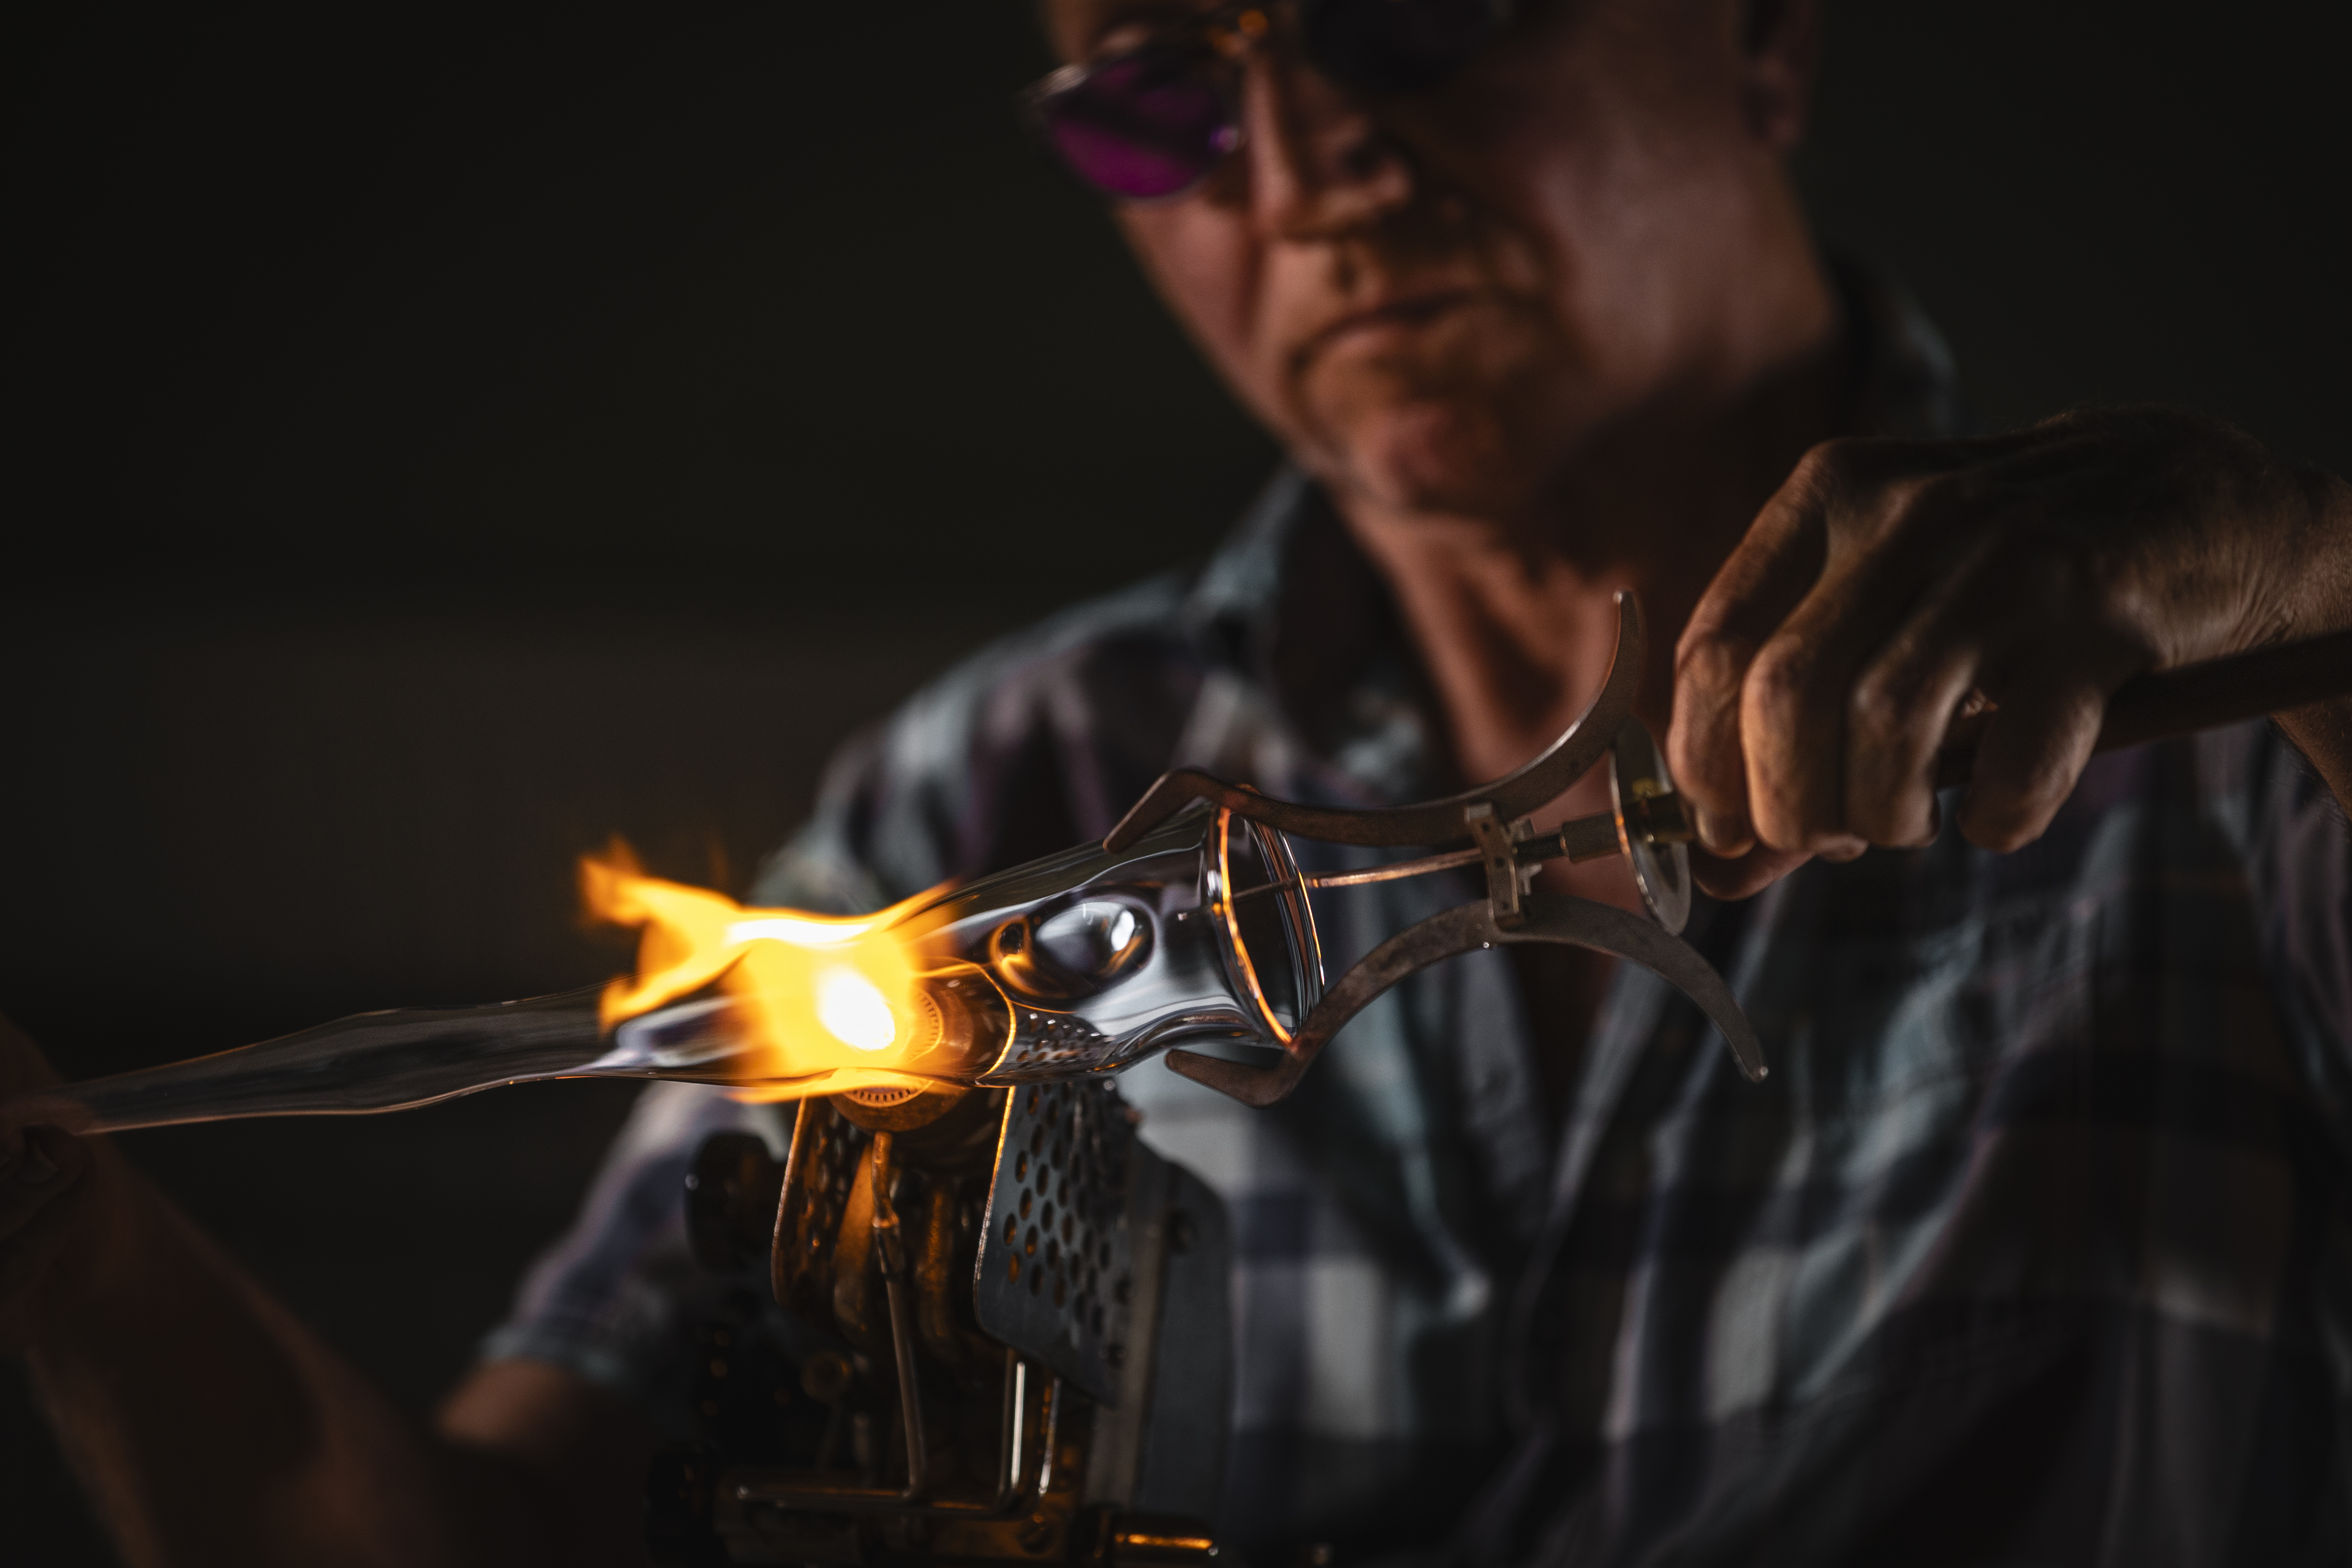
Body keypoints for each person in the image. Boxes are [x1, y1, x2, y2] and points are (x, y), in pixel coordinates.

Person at [6, 1, 2349, 1562]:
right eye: (1159, 94)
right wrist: (79, 1254)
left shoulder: (2229, 727)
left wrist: (2292, 565)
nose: (1305, 153)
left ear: (1755, 34)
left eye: (1407, 8)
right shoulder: (992, 788)